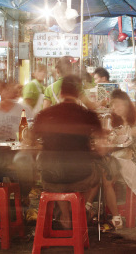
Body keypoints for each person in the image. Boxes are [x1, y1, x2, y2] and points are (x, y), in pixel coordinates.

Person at [32, 75, 103, 229]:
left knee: (57, 178)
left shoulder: (44, 114)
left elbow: (29, 141)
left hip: (50, 177)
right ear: (78, 94)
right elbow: (102, 147)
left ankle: (65, 215)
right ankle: (77, 210)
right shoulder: (88, 115)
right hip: (81, 176)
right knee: (97, 172)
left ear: (60, 94)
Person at [87, 89, 136, 230]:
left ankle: (88, 208)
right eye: (112, 105)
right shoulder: (112, 122)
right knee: (100, 168)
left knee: (103, 169)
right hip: (116, 159)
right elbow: (110, 146)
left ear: (127, 104)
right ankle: (113, 217)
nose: (115, 108)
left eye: (118, 104)